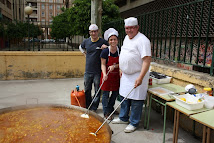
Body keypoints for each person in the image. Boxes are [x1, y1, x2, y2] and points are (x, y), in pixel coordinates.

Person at [112, 17, 151, 133]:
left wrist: (140, 77)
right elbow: (125, 54)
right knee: (124, 98)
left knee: (136, 101)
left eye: (132, 28)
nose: (129, 30)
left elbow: (147, 60)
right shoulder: (126, 38)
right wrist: (121, 68)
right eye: (127, 28)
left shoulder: (143, 40)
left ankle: (134, 122)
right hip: (125, 75)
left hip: (137, 74)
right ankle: (123, 118)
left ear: (137, 28)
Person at [79, 24, 108, 112]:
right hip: (88, 70)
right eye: (92, 32)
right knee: (87, 89)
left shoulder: (102, 42)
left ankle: (94, 107)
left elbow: (111, 48)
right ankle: (88, 105)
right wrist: (84, 54)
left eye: (95, 31)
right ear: (89, 33)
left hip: (98, 71)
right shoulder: (86, 41)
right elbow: (80, 47)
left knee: (97, 90)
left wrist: (105, 48)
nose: (93, 33)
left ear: (98, 31)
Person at [100, 28, 120, 120]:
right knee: (105, 94)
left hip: (116, 76)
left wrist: (115, 67)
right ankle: (106, 112)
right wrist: (104, 74)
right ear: (108, 41)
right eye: (111, 39)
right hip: (107, 76)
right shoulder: (105, 52)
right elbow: (103, 64)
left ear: (117, 40)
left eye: (114, 39)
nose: (113, 41)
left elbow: (122, 63)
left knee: (115, 93)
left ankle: (111, 108)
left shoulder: (120, 51)